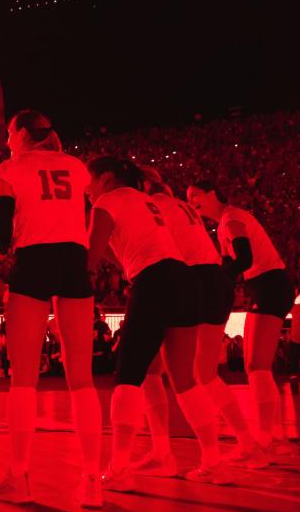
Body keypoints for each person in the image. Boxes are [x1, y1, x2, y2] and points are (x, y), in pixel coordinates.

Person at [0, 111, 101, 506]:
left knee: (23, 378)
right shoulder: (75, 166)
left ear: (21, 134)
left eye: (8, 131)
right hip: (73, 258)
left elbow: (2, 227)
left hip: (34, 259)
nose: (6, 138)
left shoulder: (11, 168)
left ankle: (19, 476)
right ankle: (92, 481)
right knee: (81, 378)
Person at [87, 157, 215, 494]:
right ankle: (214, 460)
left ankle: (119, 467)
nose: (86, 189)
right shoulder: (146, 200)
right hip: (185, 279)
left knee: (129, 374)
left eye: (90, 180)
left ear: (106, 179)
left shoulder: (106, 201)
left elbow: (90, 255)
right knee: (185, 379)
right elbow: (124, 250)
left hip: (155, 279)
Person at [135, 166, 256, 482]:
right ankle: (246, 442)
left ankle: (168, 453)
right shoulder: (183, 206)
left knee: (156, 371)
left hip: (189, 279)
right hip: (215, 279)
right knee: (203, 373)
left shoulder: (150, 206)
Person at [188, 182, 297, 464]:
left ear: (213, 193)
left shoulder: (232, 218)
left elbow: (244, 257)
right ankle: (276, 436)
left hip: (269, 285)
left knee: (256, 366)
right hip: (266, 286)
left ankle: (264, 439)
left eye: (195, 195)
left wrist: (220, 280)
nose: (192, 202)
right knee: (257, 367)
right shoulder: (227, 221)